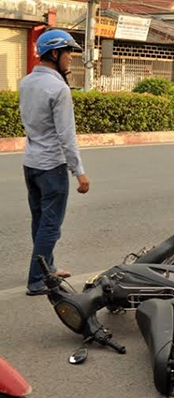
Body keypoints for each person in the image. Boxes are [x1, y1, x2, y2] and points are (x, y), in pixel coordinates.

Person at [19, 29, 90, 296]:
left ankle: (47, 267)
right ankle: (38, 280)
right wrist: (79, 172)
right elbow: (66, 136)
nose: (71, 57)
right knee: (50, 225)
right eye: (68, 52)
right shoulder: (58, 88)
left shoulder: (26, 82)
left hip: (31, 163)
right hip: (52, 166)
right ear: (55, 53)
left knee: (39, 220)